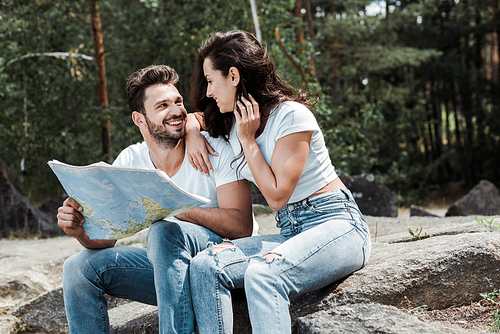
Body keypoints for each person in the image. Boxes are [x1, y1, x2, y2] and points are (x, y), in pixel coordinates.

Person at [185, 30, 372, 334]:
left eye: (210, 80)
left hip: (338, 225)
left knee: (263, 273)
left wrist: (248, 141)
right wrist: (193, 133)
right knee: (206, 266)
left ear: (233, 76)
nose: (207, 92)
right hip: (290, 233)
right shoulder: (230, 118)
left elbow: (276, 197)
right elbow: (195, 117)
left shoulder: (292, 117)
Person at [57, 64, 255, 334]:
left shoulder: (215, 148)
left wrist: (173, 207)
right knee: (78, 268)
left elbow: (242, 226)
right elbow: (107, 237)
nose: (176, 111)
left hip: (223, 262)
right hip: (170, 271)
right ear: (139, 119)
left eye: (178, 102)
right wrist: (79, 230)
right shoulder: (131, 161)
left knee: (164, 231)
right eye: (162, 106)